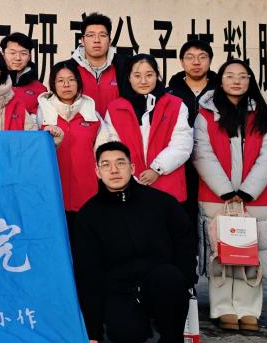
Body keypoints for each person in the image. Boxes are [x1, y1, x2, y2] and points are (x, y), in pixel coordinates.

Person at [73, 141, 197, 343]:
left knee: (171, 280)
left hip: (158, 280)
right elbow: (89, 274)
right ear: (97, 171)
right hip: (120, 288)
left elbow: (185, 240)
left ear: (132, 168)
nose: (114, 170)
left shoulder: (162, 203)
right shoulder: (89, 215)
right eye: (106, 165)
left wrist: (185, 281)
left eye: (120, 163)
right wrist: (92, 331)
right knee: (125, 333)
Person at [192, 58, 267, 332]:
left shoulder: (264, 115)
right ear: (220, 81)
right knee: (221, 252)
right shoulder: (205, 115)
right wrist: (227, 190)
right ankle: (223, 308)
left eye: (242, 76)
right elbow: (201, 153)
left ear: (250, 81)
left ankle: (249, 308)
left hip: (255, 197)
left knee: (251, 252)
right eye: (230, 75)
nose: (236, 81)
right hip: (217, 196)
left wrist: (246, 191)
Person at [98, 54, 193, 201]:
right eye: (137, 76)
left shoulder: (176, 105)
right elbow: (112, 145)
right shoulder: (115, 108)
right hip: (129, 184)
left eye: (149, 75)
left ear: (157, 76)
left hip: (167, 183)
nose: (143, 81)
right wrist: (130, 173)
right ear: (129, 78)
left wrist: (157, 169)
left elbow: (182, 144)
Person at [36, 60, 103, 229]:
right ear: (53, 84)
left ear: (78, 83)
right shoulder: (40, 114)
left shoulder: (92, 114)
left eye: (71, 79)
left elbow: (105, 151)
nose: (66, 85)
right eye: (60, 80)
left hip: (87, 193)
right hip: (52, 192)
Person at [167, 39, 219, 225]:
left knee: (214, 221)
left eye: (202, 57)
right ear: (181, 62)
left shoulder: (222, 92)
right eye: (190, 57)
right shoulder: (169, 94)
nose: (196, 62)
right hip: (180, 166)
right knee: (183, 219)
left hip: (215, 164)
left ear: (210, 60)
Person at [71, 13, 128, 113]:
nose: (96, 40)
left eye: (102, 35)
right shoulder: (69, 68)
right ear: (82, 40)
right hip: (82, 123)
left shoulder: (125, 67)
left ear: (109, 41)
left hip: (116, 123)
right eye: (90, 35)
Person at [2, 32, 47, 106]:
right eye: (12, 53)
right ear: (3, 54)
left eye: (23, 53)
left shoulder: (40, 90)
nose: (18, 58)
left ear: (29, 56)